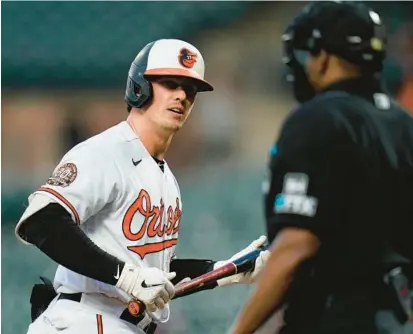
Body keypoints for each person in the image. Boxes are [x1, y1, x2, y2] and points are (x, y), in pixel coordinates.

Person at [15, 38, 270, 334]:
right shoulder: (107, 150)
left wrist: (222, 269)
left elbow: (154, 275)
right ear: (140, 87)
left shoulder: (165, 177)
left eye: (190, 89)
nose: (182, 96)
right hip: (84, 319)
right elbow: (40, 221)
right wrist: (125, 277)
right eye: (170, 84)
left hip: (125, 324)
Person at [230, 2, 413, 334]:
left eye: (308, 54)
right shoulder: (403, 124)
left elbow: (298, 244)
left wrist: (239, 331)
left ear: (324, 57)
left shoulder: (320, 118)